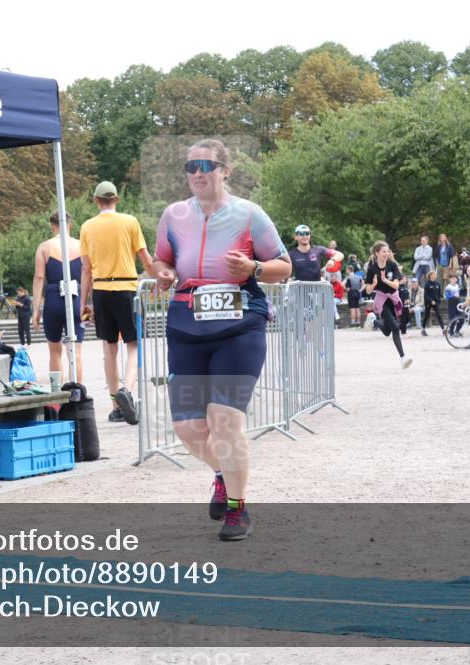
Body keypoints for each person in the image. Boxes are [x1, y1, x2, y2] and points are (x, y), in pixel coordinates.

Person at [149, 138, 292, 541]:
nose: (197, 173)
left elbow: (285, 265)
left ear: (225, 170)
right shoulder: (174, 215)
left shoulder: (250, 214)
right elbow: (163, 259)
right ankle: (222, 475)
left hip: (238, 325)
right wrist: (162, 272)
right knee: (190, 429)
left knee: (225, 420)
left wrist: (254, 267)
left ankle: (237, 508)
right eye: (190, 166)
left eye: (206, 165)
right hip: (186, 325)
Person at [80, 181, 154, 425]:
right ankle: (127, 390)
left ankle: (115, 406)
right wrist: (157, 280)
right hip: (127, 288)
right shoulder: (130, 222)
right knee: (134, 344)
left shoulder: (87, 227)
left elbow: (86, 269)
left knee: (109, 348)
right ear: (117, 199)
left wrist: (83, 301)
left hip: (101, 290)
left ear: (95, 200)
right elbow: (145, 257)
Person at [33, 211, 85, 384]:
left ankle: (57, 397)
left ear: (52, 226)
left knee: (55, 352)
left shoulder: (44, 247)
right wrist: (87, 302)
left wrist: (35, 310)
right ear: (69, 225)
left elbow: (39, 277)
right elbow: (88, 274)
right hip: (77, 297)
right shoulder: (82, 246)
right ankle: (78, 394)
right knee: (75, 351)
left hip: (54, 298)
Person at [364, 241, 412, 368]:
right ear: (377, 253)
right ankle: (403, 358)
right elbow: (368, 290)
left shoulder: (392, 265)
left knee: (386, 331)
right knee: (396, 328)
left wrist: (385, 280)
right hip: (381, 300)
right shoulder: (372, 269)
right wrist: (374, 284)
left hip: (393, 299)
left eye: (387, 251)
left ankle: (373, 320)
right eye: (383, 251)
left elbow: (396, 285)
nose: (386, 253)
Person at [421, 270, 443, 334]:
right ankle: (423, 329)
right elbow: (426, 295)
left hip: (436, 302)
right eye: (434, 274)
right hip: (428, 303)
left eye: (435, 275)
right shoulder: (427, 284)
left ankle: (443, 329)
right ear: (430, 276)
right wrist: (431, 301)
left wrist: (439, 300)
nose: (435, 276)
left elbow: (439, 293)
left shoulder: (437, 283)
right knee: (426, 315)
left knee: (439, 315)